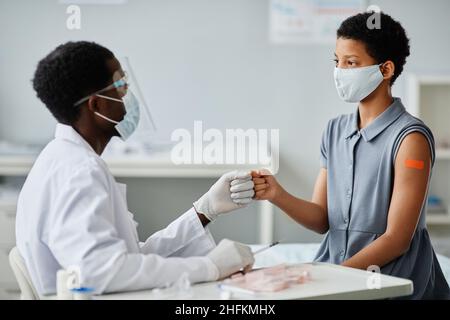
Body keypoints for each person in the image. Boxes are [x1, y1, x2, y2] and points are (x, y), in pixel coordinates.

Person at [16, 41, 255, 296]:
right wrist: (210, 267)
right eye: (120, 85)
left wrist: (204, 211)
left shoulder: (60, 157)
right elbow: (103, 272)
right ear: (96, 105)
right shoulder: (80, 171)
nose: (128, 93)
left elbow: (130, 258)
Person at [252, 12, 450, 299]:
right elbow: (322, 219)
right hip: (338, 273)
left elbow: (397, 240)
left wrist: (334, 277)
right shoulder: (335, 131)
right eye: (337, 61)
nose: (340, 71)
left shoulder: (411, 139)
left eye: (351, 63)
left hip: (391, 284)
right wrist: (276, 194)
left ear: (386, 70)